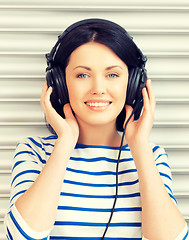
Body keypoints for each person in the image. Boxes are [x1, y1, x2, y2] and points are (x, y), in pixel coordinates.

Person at [4, 18, 188, 240]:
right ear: (60, 83)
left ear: (133, 84)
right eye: (83, 75)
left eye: (112, 75)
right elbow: (20, 236)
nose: (98, 89)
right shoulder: (34, 151)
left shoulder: (153, 156)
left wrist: (139, 147)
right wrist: (65, 142)